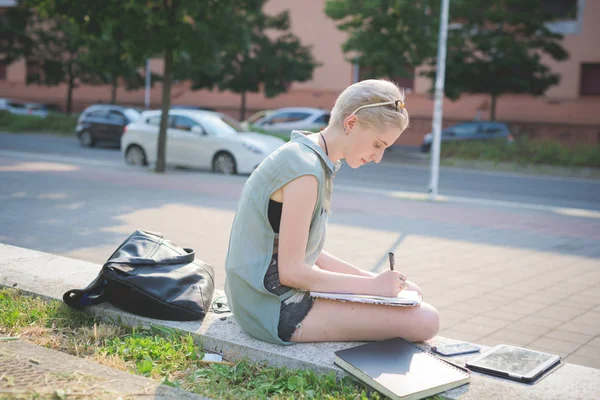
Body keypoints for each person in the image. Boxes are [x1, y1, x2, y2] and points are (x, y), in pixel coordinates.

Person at [224, 79, 439, 345]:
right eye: (377, 144)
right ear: (351, 124)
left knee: (411, 292)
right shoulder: (304, 170)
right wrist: (373, 288)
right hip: (269, 306)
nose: (378, 157)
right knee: (426, 319)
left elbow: (308, 250)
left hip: (262, 293)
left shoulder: (309, 156)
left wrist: (372, 279)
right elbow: (291, 272)